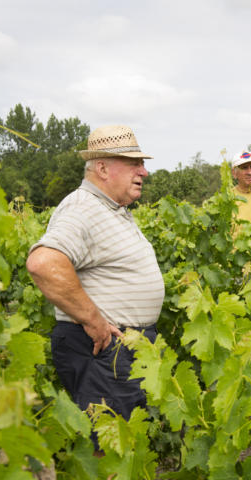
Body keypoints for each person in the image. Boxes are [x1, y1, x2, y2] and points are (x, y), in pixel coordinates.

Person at [26, 125, 165, 447]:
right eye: (134, 164)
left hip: (120, 351)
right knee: (110, 448)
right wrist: (94, 321)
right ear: (102, 167)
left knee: (125, 441)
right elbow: (43, 263)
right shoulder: (82, 207)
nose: (143, 171)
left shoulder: (110, 208)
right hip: (103, 351)